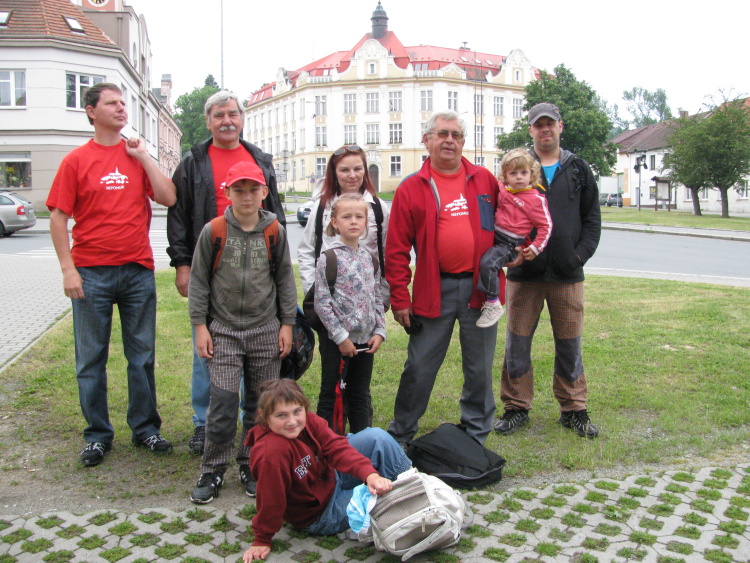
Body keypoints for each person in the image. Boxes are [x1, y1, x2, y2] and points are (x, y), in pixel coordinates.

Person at [47, 83, 177, 467]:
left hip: (137, 271)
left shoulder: (136, 155)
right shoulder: (76, 161)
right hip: (91, 273)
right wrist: (68, 270)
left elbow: (168, 197)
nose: (121, 108)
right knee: (91, 360)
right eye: (112, 103)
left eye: (123, 103)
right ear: (91, 111)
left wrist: (144, 157)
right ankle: (97, 435)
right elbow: (58, 217)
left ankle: (145, 428)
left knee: (142, 357)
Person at [167, 91, 285, 455]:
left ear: (242, 119)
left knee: (255, 355)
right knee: (208, 349)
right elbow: (178, 214)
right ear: (208, 121)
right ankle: (206, 423)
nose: (227, 121)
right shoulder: (193, 161)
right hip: (211, 262)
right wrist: (183, 264)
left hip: (253, 264)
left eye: (233, 113)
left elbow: (275, 210)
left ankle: (254, 423)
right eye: (218, 115)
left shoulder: (259, 159)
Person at [385, 110, 502, 446]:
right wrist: (400, 297)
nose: (450, 140)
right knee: (419, 366)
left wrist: (519, 248)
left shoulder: (484, 180)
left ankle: (475, 436)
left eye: (456, 135)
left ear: (463, 142)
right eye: (442, 134)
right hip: (434, 289)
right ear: (427, 140)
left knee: (479, 368)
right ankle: (401, 434)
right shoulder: (412, 187)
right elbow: (396, 249)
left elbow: (510, 219)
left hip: (481, 290)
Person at [187, 161, 297, 503]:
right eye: (239, 190)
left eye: (253, 190)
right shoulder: (214, 231)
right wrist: (200, 327)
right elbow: (199, 281)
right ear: (227, 193)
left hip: (265, 329)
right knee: (222, 402)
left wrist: (287, 324)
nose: (246, 197)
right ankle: (213, 468)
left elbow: (285, 280)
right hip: (223, 331)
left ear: (264, 192)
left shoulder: (274, 230)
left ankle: (251, 462)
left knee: (260, 404)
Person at [494, 102, 602, 439]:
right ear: (531, 130)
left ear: (560, 126)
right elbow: (498, 214)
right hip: (524, 274)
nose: (545, 129)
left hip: (567, 275)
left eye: (550, 124)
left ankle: (574, 409)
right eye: (538, 125)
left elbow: (592, 219)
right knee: (517, 344)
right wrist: (508, 253)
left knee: (569, 344)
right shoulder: (519, 166)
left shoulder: (578, 169)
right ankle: (516, 407)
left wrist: (578, 256)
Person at [243, 379, 412, 561]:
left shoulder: (307, 420)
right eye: (281, 415)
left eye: (297, 411)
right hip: (321, 512)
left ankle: (414, 482)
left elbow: (336, 447)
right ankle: (408, 506)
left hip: (331, 475)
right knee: (385, 496)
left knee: (378, 437)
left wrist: (369, 474)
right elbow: (271, 498)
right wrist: (262, 538)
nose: (292, 421)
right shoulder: (270, 454)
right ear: (264, 415)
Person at [297, 145, 390, 427]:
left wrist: (380, 326)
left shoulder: (377, 207)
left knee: (359, 391)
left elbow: (386, 254)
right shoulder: (323, 206)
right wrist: (315, 289)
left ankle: (362, 441)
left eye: (357, 168)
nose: (352, 175)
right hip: (333, 317)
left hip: (365, 320)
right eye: (344, 169)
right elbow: (306, 250)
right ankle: (330, 440)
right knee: (332, 388)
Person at [313, 193, 386, 434]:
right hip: (337, 342)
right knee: (331, 393)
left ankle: (361, 443)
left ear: (366, 222)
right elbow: (322, 303)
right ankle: (328, 445)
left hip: (365, 342)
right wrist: (341, 337)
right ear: (335, 222)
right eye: (346, 217)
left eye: (359, 216)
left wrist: (379, 331)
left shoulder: (370, 260)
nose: (353, 221)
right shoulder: (328, 259)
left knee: (359, 394)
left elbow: (377, 296)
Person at [476, 148, 552, 328]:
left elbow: (546, 226)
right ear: (505, 175)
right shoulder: (503, 189)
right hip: (495, 236)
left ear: (532, 174)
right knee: (479, 260)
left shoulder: (535, 199)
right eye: (513, 173)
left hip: (510, 244)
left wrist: (535, 247)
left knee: (488, 264)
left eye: (524, 172)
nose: (519, 177)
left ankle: (493, 302)